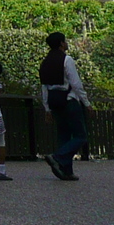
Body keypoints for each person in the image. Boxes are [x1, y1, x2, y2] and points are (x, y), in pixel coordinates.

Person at [40, 31, 89, 181]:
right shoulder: (66, 60)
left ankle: (66, 170)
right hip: (69, 100)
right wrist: (86, 103)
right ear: (61, 43)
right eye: (65, 41)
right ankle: (58, 157)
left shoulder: (45, 63)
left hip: (54, 102)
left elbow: (44, 87)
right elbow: (76, 83)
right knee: (80, 136)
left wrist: (47, 107)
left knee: (64, 136)